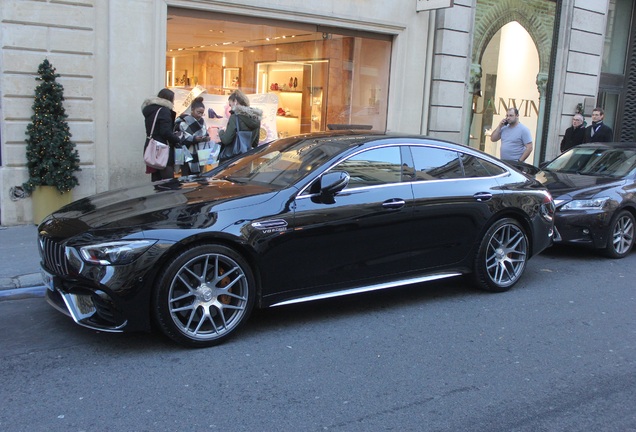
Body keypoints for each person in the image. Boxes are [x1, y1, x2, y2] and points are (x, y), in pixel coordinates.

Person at [141, 88, 181, 181]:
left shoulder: (151, 110)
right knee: (168, 182)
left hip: (151, 146)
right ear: (170, 99)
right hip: (162, 148)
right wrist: (177, 139)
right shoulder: (164, 111)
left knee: (156, 178)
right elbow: (165, 132)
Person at [218, 89, 263, 163]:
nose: (230, 107)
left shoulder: (235, 117)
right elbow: (255, 143)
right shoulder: (256, 118)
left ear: (235, 101)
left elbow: (226, 140)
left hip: (233, 160)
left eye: (230, 104)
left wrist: (221, 132)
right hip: (247, 160)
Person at [175, 96, 211, 176]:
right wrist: (193, 139)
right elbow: (180, 138)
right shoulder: (183, 121)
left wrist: (206, 138)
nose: (200, 115)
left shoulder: (202, 121)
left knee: (198, 177)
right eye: (198, 112)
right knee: (186, 176)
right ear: (192, 110)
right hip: (186, 154)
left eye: (202, 113)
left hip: (200, 154)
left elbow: (205, 133)